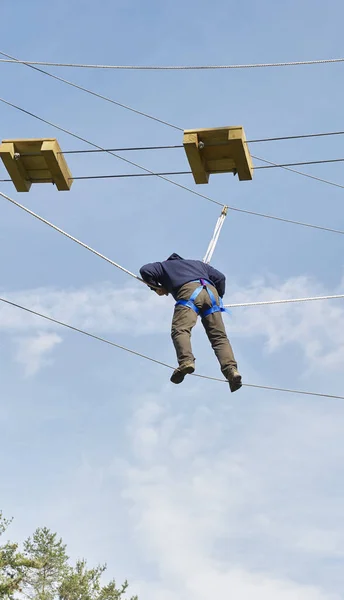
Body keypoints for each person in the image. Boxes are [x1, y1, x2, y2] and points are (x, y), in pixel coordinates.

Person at [139, 253, 242, 392]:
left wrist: (156, 287)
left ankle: (186, 361)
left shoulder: (164, 266)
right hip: (211, 294)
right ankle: (232, 371)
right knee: (219, 338)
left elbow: (145, 270)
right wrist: (219, 297)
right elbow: (221, 278)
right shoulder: (198, 264)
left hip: (188, 293)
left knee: (180, 330)